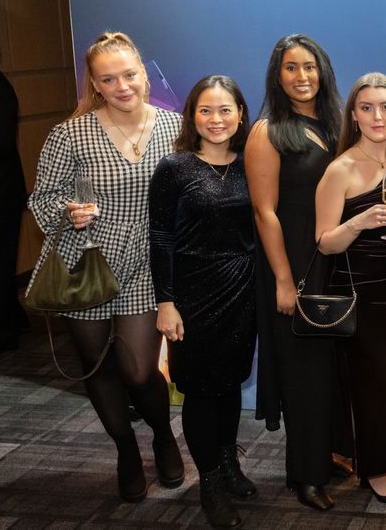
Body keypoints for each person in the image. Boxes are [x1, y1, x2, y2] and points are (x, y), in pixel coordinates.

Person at [27, 31, 185, 502]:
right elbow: (43, 197)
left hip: (148, 262)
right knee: (97, 366)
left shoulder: (175, 128)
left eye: (129, 75)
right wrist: (69, 211)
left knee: (138, 371)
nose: (122, 86)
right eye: (108, 79)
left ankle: (163, 436)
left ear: (143, 73)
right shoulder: (70, 133)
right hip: (88, 261)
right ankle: (125, 450)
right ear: (95, 84)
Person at [245, 34, 351, 511]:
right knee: (303, 373)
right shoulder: (267, 132)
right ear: (277, 75)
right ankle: (305, 476)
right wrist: (284, 281)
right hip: (292, 264)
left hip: (333, 261)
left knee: (329, 368)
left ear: (322, 72)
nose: (302, 76)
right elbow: (264, 212)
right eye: (291, 67)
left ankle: (325, 455)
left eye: (309, 66)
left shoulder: (334, 125)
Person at [149, 75, 257, 527]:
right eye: (206, 110)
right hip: (192, 295)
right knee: (198, 390)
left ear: (240, 114)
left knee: (230, 383)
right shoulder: (174, 168)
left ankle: (229, 464)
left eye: (225, 109)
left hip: (242, 290)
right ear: (192, 115)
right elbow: (160, 237)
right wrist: (166, 302)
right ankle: (209, 482)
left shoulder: (252, 163)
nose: (216, 119)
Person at [315, 73, 386, 507]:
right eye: (367, 108)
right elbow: (324, 243)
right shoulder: (340, 169)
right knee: (371, 388)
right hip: (359, 295)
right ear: (354, 116)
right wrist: (358, 222)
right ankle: (374, 471)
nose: (378, 116)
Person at [0, 33, 30, 352]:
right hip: (0, 192)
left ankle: (5, 330)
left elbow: (1, 142)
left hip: (0, 194)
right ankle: (14, 318)